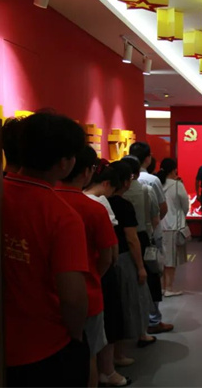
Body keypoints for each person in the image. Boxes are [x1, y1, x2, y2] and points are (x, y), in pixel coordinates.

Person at [0, 112, 90, 387]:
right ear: (64, 162)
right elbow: (72, 296)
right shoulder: (61, 215)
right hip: (42, 348)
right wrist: (76, 335)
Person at [56, 145, 119, 387]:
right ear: (86, 171)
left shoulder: (45, 201)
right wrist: (94, 276)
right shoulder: (95, 208)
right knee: (88, 355)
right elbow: (107, 256)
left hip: (46, 297)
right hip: (88, 295)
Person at [84, 161, 131, 386]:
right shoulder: (100, 203)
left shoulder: (69, 198)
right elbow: (109, 248)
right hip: (100, 273)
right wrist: (104, 271)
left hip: (81, 270)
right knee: (107, 322)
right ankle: (108, 371)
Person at [107, 160, 154, 365]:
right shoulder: (124, 205)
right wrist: (141, 267)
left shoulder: (100, 201)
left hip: (105, 257)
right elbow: (132, 239)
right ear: (127, 181)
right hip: (123, 257)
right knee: (126, 301)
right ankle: (118, 353)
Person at [120, 156, 174, 336]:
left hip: (118, 242)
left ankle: (128, 325)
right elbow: (158, 215)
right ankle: (152, 321)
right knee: (150, 279)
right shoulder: (146, 189)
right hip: (143, 237)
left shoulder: (112, 194)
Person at [159, 158, 190, 297]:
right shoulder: (178, 185)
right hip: (173, 225)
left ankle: (162, 286)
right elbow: (185, 206)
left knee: (161, 258)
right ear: (174, 170)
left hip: (159, 225)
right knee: (171, 260)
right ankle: (169, 288)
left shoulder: (157, 183)